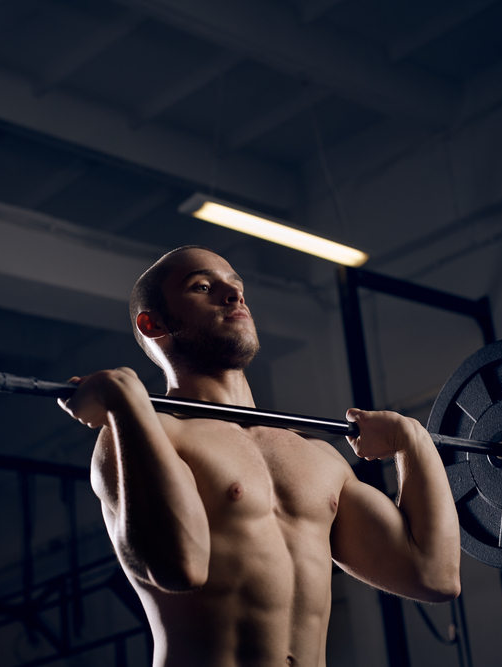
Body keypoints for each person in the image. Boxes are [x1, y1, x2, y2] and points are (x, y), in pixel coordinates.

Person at [59, 246, 461, 666]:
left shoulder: (318, 458)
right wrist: (125, 406)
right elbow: (181, 567)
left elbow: (433, 575)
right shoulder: (147, 434)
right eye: (203, 286)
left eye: (237, 286)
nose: (233, 295)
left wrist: (412, 441)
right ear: (153, 323)